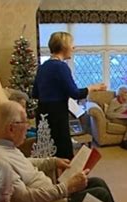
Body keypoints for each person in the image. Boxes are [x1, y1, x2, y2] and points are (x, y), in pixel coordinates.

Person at [0, 101, 125, 202]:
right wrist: (67, 187)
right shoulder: (0, 160)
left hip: (51, 192)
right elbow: (25, 199)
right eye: (24, 122)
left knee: (97, 182)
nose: (28, 126)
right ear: (11, 129)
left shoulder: (6, 147)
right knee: (100, 194)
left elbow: (26, 163)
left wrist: (53, 161)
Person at [33, 31, 106, 159]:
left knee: (46, 153)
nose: (74, 47)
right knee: (63, 153)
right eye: (72, 44)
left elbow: (35, 93)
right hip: (57, 115)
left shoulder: (42, 67)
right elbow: (75, 93)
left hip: (42, 114)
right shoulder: (61, 67)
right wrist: (92, 87)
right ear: (64, 46)